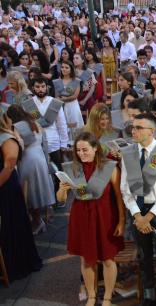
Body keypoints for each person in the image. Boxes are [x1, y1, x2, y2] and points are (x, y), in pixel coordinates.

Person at [57, 132, 124, 306]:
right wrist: (62, 190)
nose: (81, 153)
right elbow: (61, 200)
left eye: (85, 149)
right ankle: (92, 295)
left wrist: (122, 221)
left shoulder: (110, 167)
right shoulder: (73, 169)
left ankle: (108, 297)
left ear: (95, 148)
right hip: (81, 217)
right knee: (86, 259)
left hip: (105, 217)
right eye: (78, 150)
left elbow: (118, 197)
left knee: (108, 259)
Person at [119, 113, 156, 306]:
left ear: (151, 131)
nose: (133, 131)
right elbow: (125, 189)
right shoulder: (128, 152)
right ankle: (149, 295)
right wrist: (137, 215)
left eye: (138, 128)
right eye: (133, 128)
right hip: (137, 209)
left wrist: (149, 216)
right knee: (143, 255)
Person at [0, 114, 42, 282]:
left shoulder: (7, 138)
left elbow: (9, 166)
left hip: (6, 191)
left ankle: (11, 266)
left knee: (10, 226)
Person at [5, 104, 55, 234]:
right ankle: (38, 220)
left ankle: (37, 222)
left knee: (32, 193)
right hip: (40, 158)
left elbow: (20, 146)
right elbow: (44, 141)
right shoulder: (34, 123)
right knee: (39, 190)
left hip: (29, 160)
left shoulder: (17, 127)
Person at [22, 77, 68, 170]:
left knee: (58, 171)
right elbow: (26, 126)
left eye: (43, 86)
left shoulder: (55, 103)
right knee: (41, 171)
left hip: (54, 142)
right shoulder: (28, 104)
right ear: (33, 88)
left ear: (47, 87)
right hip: (36, 143)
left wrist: (64, 143)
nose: (40, 89)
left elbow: (62, 124)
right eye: (37, 87)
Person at [53, 60, 84, 134]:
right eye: (62, 67)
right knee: (64, 127)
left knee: (74, 128)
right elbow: (56, 96)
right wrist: (59, 99)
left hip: (72, 106)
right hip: (62, 107)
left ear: (71, 69)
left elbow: (75, 96)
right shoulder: (57, 81)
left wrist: (64, 99)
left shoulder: (76, 81)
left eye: (66, 68)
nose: (64, 69)